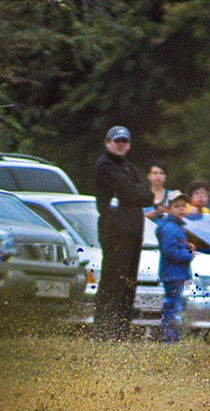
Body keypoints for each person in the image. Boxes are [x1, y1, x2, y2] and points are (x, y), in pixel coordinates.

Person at [92, 125, 155, 340]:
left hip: (133, 231)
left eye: (124, 141)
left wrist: (136, 192)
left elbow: (148, 196)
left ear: (128, 145)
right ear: (107, 143)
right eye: (116, 141)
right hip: (115, 231)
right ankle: (104, 331)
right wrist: (136, 192)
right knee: (113, 281)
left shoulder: (129, 167)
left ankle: (121, 331)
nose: (120, 144)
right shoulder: (104, 165)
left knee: (129, 283)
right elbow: (130, 190)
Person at [156, 192, 195, 343]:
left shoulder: (177, 226)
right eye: (176, 206)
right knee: (173, 306)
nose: (181, 209)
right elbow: (169, 250)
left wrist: (186, 246)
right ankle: (169, 338)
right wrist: (187, 255)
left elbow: (176, 245)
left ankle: (171, 336)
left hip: (176, 273)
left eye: (183, 206)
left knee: (174, 304)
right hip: (172, 273)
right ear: (168, 208)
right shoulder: (170, 228)